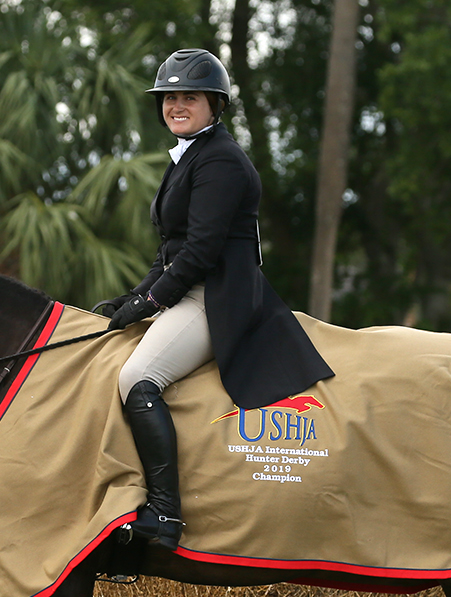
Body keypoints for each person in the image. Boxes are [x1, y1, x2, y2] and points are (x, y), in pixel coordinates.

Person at [107, 48, 334, 550]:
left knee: (137, 378)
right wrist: (134, 296)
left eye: (189, 97)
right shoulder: (192, 155)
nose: (176, 106)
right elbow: (169, 250)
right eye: (169, 98)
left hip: (218, 296)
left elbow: (202, 251)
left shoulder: (222, 161)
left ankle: (165, 514)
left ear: (215, 103)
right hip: (190, 287)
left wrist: (152, 303)